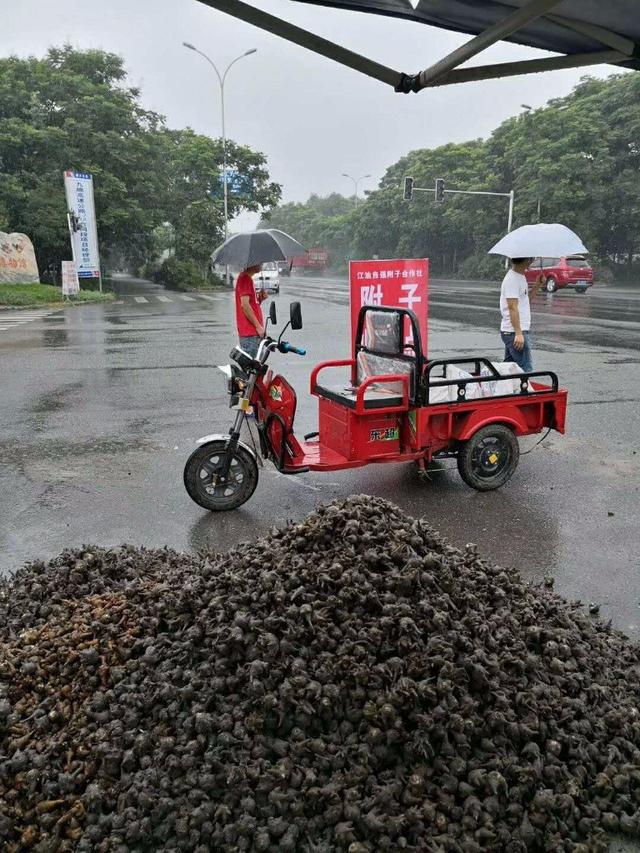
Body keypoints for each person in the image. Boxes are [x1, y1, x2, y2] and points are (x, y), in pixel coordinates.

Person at [500, 257, 544, 372]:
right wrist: (519, 334)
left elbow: (525, 301)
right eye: (531, 258)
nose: (532, 260)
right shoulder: (512, 279)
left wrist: (537, 285)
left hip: (515, 331)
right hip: (515, 332)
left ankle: (505, 389)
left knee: (509, 371)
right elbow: (512, 307)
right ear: (527, 260)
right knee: (525, 371)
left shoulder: (520, 276)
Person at [235, 264, 267, 357]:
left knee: (256, 369)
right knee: (254, 370)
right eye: (259, 263)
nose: (261, 265)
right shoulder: (245, 279)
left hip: (252, 334)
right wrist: (258, 327)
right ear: (252, 264)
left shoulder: (247, 279)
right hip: (250, 334)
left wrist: (260, 299)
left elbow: (250, 305)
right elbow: (245, 305)